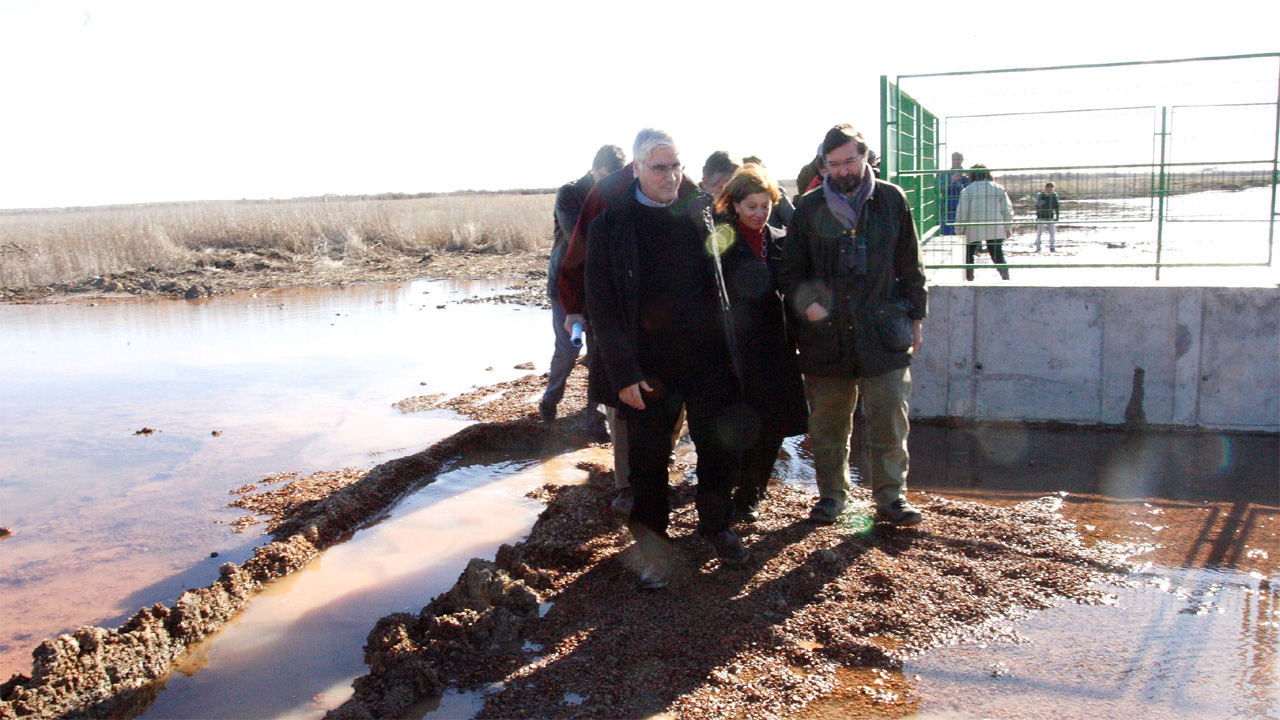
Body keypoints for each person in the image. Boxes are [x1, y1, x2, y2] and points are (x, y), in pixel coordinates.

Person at [585, 128, 750, 588]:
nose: (672, 175)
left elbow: (728, 277)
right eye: (660, 167)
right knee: (648, 463)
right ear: (636, 168)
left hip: (708, 361)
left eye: (677, 165)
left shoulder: (701, 211)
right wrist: (623, 374)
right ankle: (654, 549)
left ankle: (716, 525)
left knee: (719, 450)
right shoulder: (611, 226)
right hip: (647, 368)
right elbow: (602, 308)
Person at [778, 123, 928, 528]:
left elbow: (910, 264)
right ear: (823, 165)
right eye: (834, 164)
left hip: (883, 333)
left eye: (850, 161)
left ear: (865, 158)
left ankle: (892, 499)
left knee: (889, 420)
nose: (843, 171)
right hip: (825, 339)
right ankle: (831, 498)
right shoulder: (808, 208)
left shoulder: (891, 200)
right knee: (828, 425)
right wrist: (807, 306)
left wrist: (917, 316)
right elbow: (789, 270)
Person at [712, 166, 808, 522]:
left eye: (765, 206)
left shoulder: (781, 240)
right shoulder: (720, 242)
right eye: (751, 206)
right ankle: (728, 485)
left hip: (775, 345)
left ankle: (752, 493)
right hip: (734, 347)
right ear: (734, 204)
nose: (758, 213)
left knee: (774, 422)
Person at [540, 145, 627, 436]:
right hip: (568, 284)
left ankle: (596, 420)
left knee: (599, 354)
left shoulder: (621, 191)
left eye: (614, 177)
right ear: (594, 169)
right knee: (567, 349)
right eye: (605, 176)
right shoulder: (570, 193)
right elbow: (580, 237)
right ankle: (551, 399)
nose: (609, 183)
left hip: (602, 286)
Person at [956, 164, 1013, 281]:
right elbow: (1006, 210)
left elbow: (962, 212)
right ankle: (1005, 276)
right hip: (995, 225)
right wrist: (1008, 227)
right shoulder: (998, 188)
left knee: (969, 253)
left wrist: (959, 230)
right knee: (996, 253)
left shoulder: (968, 190)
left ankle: (969, 277)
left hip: (974, 226)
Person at [742, 155, 795, 229]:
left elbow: (794, 222)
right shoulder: (734, 195)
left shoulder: (776, 193)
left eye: (765, 206)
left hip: (770, 239)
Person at [939, 151, 969, 237]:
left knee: (965, 234)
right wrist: (951, 179)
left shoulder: (968, 174)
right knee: (948, 234)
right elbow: (939, 189)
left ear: (962, 160)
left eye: (958, 159)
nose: (956, 161)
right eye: (954, 159)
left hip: (964, 208)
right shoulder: (945, 174)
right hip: (948, 209)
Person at [1035, 181, 1060, 252]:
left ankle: (1052, 247)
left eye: (1051, 189)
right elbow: (1038, 205)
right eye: (1048, 188)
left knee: (1052, 232)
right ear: (1045, 188)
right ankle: (1038, 247)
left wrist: (1057, 216)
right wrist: (1045, 198)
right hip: (1041, 216)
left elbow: (1056, 206)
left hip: (1050, 216)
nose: (1050, 190)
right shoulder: (1040, 195)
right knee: (1039, 233)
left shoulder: (1054, 195)